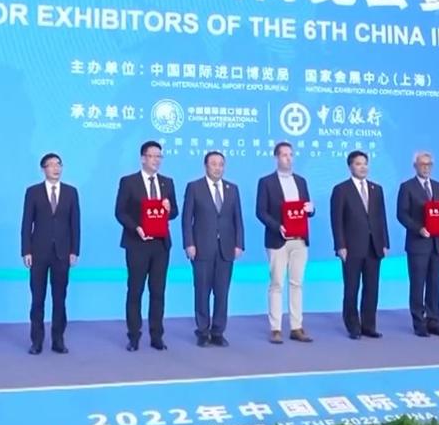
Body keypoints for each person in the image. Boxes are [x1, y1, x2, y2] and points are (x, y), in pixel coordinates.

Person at [115, 140, 178, 351]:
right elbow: (120, 212)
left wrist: (168, 209)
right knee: (135, 290)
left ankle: (156, 335)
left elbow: (175, 212)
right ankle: (133, 336)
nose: (156, 160)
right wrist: (136, 228)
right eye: (152, 156)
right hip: (137, 243)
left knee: (158, 292)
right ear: (143, 158)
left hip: (160, 245)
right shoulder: (129, 182)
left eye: (159, 156)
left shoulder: (167, 183)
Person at [181, 151, 244, 347]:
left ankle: (218, 331)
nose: (217, 168)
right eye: (214, 164)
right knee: (202, 291)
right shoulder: (194, 187)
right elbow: (186, 219)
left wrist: (239, 244)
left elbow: (238, 218)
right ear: (206, 166)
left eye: (221, 164)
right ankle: (202, 331)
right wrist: (189, 243)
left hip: (226, 248)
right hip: (201, 248)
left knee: (222, 292)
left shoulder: (232, 189)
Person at [21, 153, 81, 355]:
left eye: (59, 164)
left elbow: (75, 224)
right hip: (38, 252)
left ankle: (58, 340)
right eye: (51, 165)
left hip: (63, 253)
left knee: (59, 299)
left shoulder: (71, 192)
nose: (56, 168)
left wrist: (74, 250)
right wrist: (26, 250)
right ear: (43, 169)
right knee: (37, 299)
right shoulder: (33, 192)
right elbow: (26, 223)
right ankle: (36, 341)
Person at [256, 142, 315, 344]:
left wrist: (311, 209)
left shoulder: (301, 181)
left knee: (297, 283)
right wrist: (277, 226)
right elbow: (260, 211)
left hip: (300, 240)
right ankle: (276, 328)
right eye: (284, 155)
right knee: (277, 284)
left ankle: (296, 327)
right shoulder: (266, 182)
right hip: (277, 240)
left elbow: (306, 208)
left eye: (291, 154)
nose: (288, 158)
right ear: (276, 158)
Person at [330, 150, 390, 339]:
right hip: (351, 248)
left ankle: (369, 326)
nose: (363, 167)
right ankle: (353, 326)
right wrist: (340, 246)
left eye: (365, 163)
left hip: (374, 246)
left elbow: (381, 218)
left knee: (372, 288)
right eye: (358, 164)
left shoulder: (376, 189)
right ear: (350, 167)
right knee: (352, 288)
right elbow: (336, 220)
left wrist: (385, 242)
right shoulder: (341, 190)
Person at [396, 150, 439, 337]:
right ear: (415, 166)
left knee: (435, 284)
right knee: (418, 284)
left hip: (438, 244)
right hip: (418, 244)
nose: (426, 168)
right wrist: (418, 228)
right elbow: (402, 214)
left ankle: (434, 321)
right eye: (422, 164)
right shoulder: (407, 187)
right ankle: (419, 323)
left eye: (429, 164)